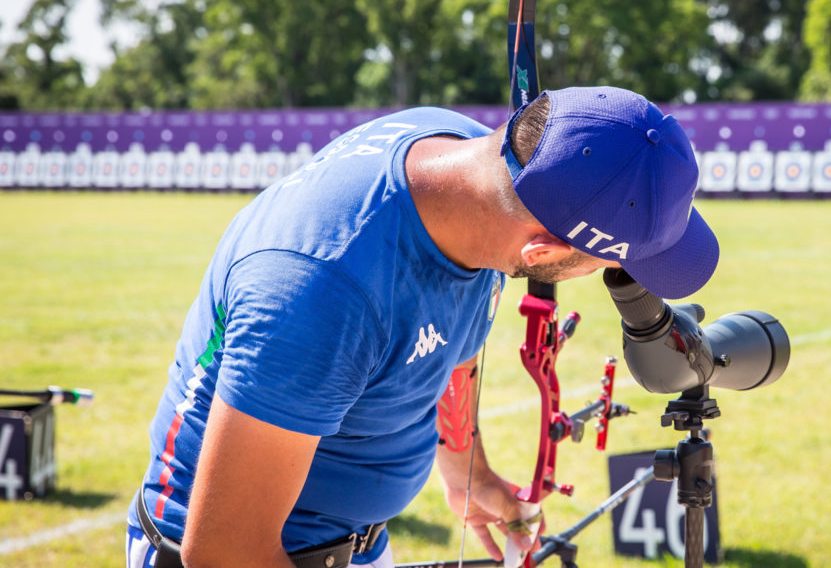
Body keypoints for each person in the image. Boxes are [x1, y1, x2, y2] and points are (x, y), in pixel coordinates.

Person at [126, 86, 719, 568]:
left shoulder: (474, 171)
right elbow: (225, 553)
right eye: (609, 263)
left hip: (352, 543)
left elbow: (447, 337)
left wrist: (467, 472)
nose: (614, 276)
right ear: (539, 253)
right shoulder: (323, 289)